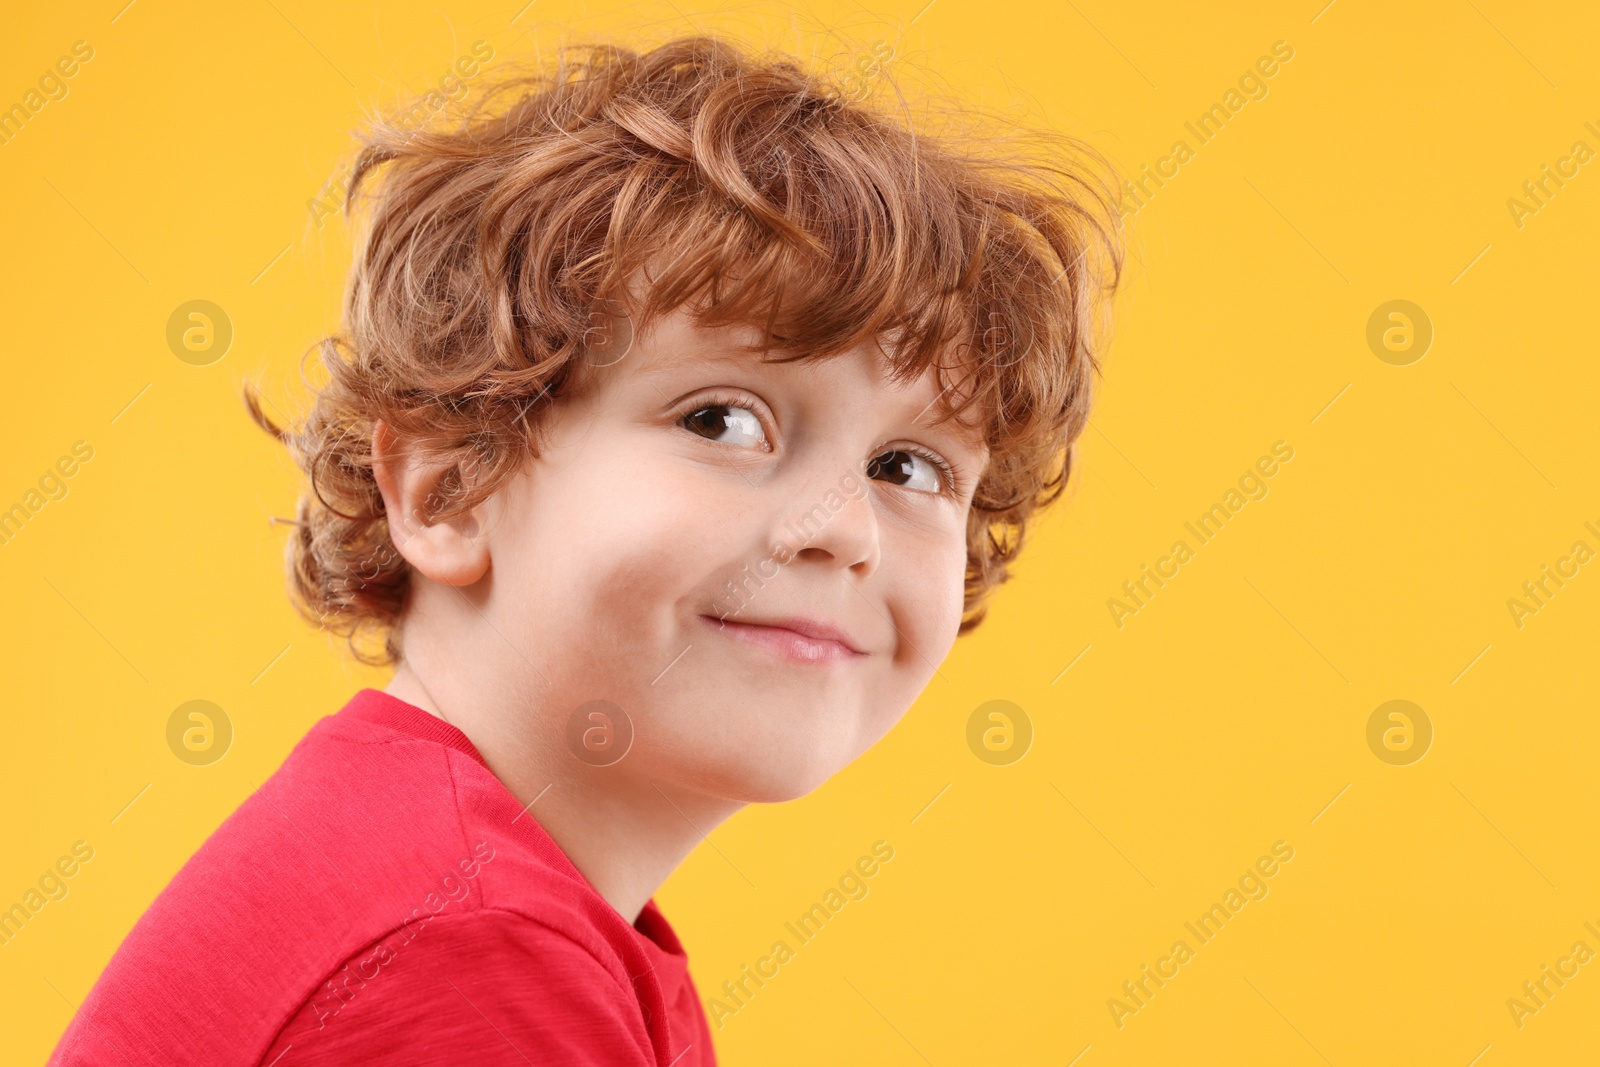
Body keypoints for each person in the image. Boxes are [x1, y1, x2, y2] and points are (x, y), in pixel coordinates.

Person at [47, 32, 1122, 1065]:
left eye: (911, 469)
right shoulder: (466, 944)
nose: (841, 528)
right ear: (448, 486)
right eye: (723, 420)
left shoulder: (502, 901)